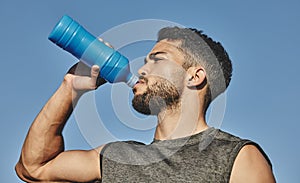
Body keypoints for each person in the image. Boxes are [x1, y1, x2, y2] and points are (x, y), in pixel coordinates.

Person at [15, 27, 275, 182]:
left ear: (195, 76)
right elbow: (33, 168)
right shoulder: (117, 158)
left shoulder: (235, 156)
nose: (141, 69)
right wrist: (70, 86)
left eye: (157, 59)